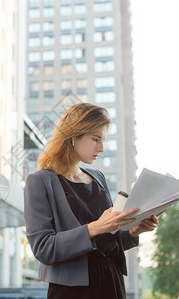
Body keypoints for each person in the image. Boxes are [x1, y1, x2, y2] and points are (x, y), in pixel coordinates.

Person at [24, 103, 159, 299]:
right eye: (96, 139)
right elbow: (43, 249)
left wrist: (132, 232)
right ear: (73, 135)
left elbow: (107, 239)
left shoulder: (98, 177)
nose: (101, 148)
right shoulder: (40, 181)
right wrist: (94, 228)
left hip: (112, 282)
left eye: (103, 140)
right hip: (72, 291)